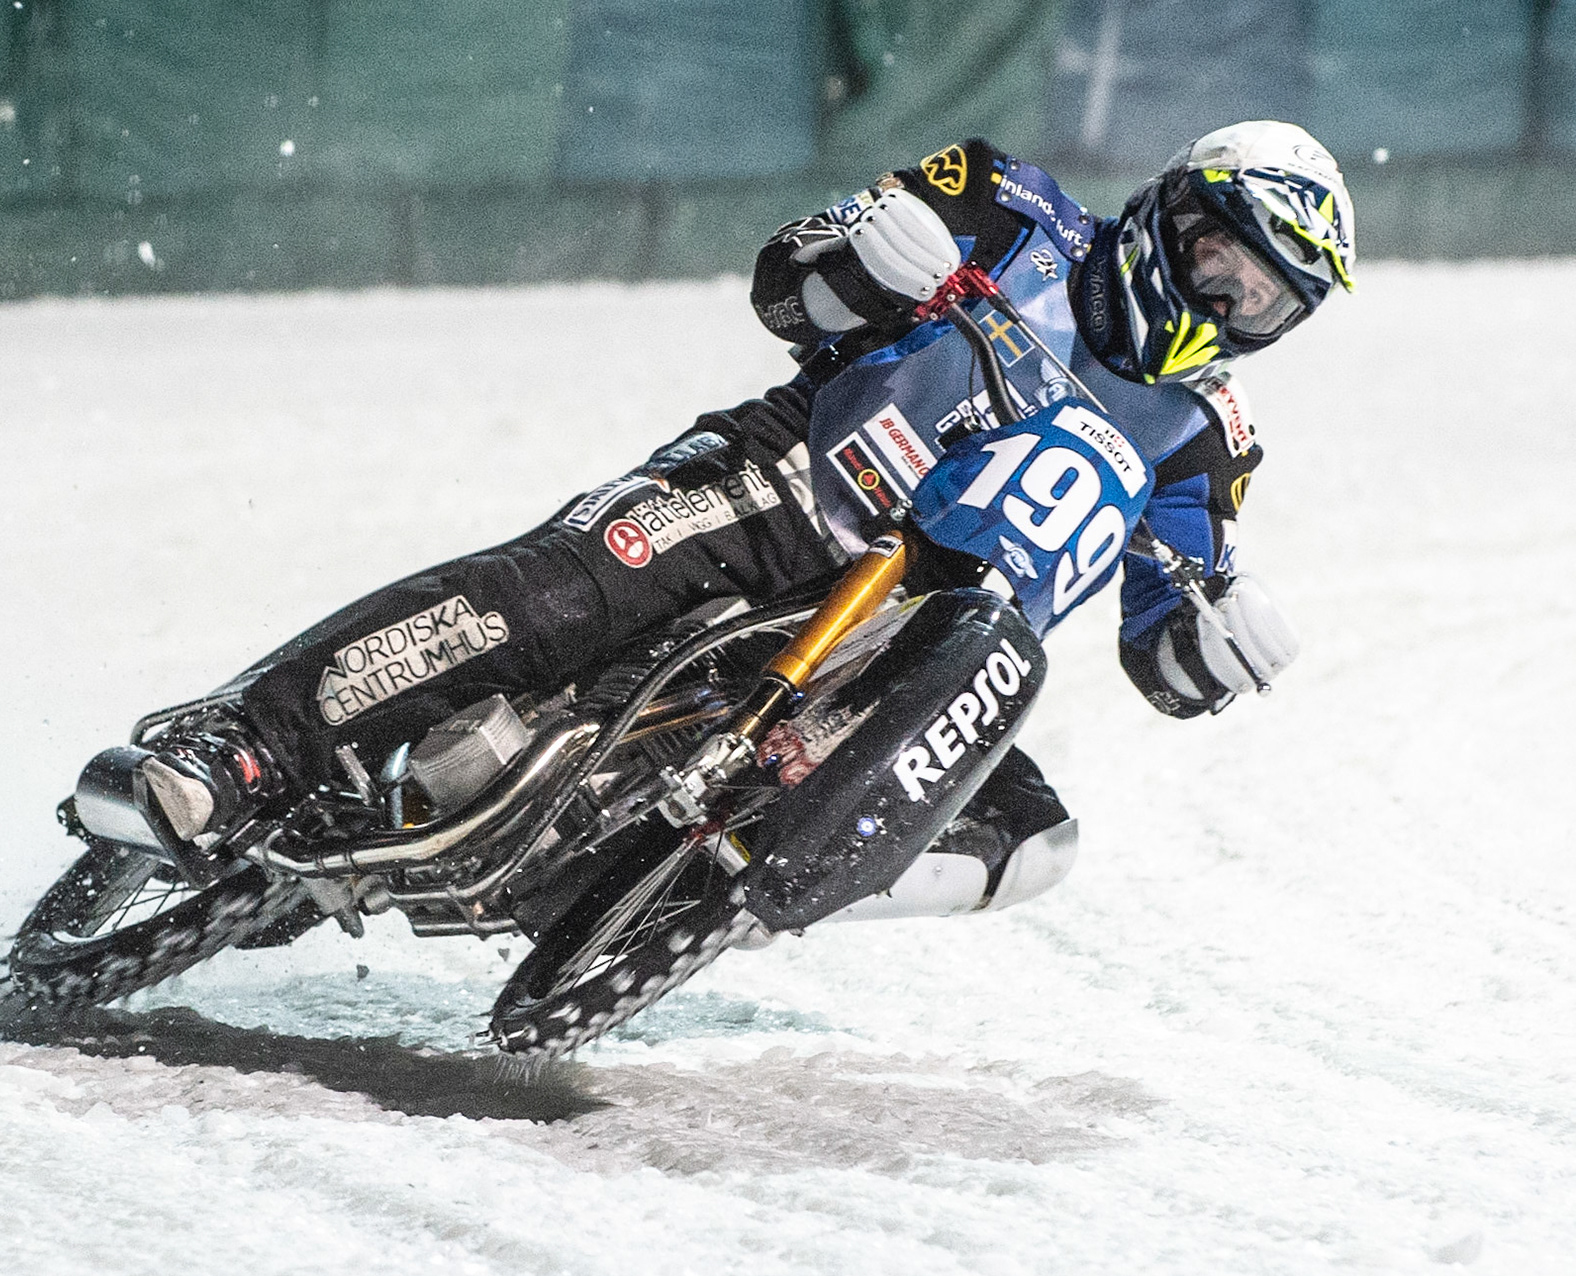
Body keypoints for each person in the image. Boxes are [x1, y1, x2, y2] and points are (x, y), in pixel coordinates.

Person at [73, 120, 1355, 922]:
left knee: (1035, 839)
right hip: (784, 487)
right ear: (1174, 211)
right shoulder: (1013, 206)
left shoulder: (1207, 437)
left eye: (1267, 302)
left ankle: (731, 890)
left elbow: (1163, 636)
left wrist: (1213, 640)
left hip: (909, 652)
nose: (1232, 303)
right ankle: (235, 743)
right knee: (564, 589)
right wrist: (860, 260)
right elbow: (786, 287)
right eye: (1223, 258)